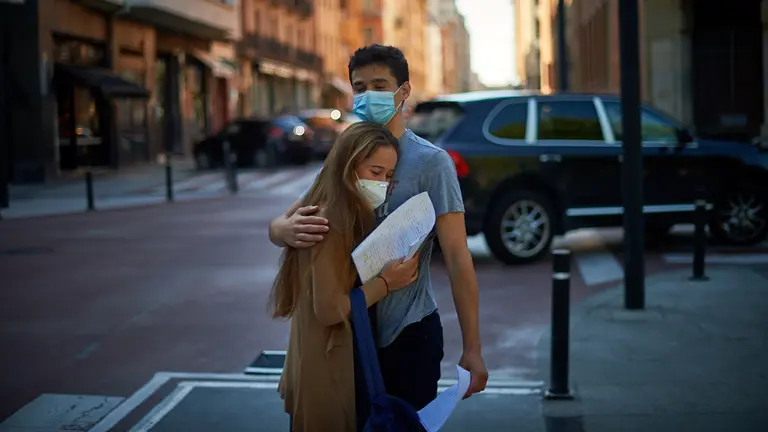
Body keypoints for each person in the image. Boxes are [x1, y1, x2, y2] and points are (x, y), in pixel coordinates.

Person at [269, 44, 488, 411]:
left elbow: (457, 256)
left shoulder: (431, 163)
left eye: (379, 86)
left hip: (410, 332)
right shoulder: (345, 154)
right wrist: (283, 231)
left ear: (404, 91)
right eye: (359, 87)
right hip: (350, 334)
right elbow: (284, 222)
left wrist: (473, 348)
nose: (368, 95)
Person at [272, 121, 422, 431]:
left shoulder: (333, 203)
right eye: (375, 172)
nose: (382, 184)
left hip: (317, 358)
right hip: (326, 366)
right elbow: (329, 310)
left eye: (389, 176)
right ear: (348, 166)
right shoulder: (332, 220)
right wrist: (385, 284)